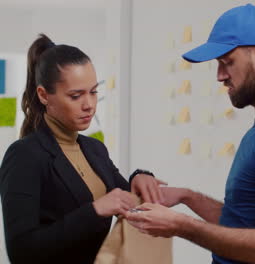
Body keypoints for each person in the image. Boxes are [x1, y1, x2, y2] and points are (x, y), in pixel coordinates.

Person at [125, 4, 255, 264]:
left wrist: (181, 226)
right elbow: (243, 223)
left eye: (227, 62)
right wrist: (188, 197)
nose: (220, 76)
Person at [0, 34, 164, 264]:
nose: (89, 105)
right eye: (76, 96)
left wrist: (140, 176)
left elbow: (125, 198)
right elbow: (21, 251)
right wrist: (94, 210)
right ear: (44, 95)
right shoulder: (24, 155)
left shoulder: (95, 149)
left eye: (94, 92)